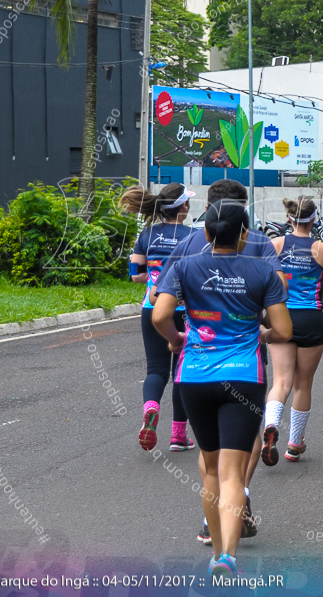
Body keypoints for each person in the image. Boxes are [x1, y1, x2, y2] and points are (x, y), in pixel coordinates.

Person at [153, 200, 293, 578]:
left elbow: (159, 314)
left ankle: (216, 547)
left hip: (194, 377)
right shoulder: (262, 271)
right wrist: (262, 332)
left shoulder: (183, 267)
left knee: (210, 468)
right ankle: (227, 556)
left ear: (207, 233)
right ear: (244, 233)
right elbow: (284, 331)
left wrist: (178, 340)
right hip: (244, 376)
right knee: (233, 473)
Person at [119, 183, 196, 452]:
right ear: (184, 206)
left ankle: (150, 408)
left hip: (152, 308)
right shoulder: (193, 236)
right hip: (185, 310)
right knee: (181, 373)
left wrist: (153, 277)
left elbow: (135, 273)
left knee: (156, 370)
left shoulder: (147, 234)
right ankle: (178, 436)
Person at [262, 196, 323, 464]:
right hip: (311, 318)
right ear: (314, 219)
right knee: (303, 384)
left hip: (280, 316)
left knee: (281, 381)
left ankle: (270, 426)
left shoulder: (275, 244)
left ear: (290, 218)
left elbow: (266, 285)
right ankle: (294, 444)